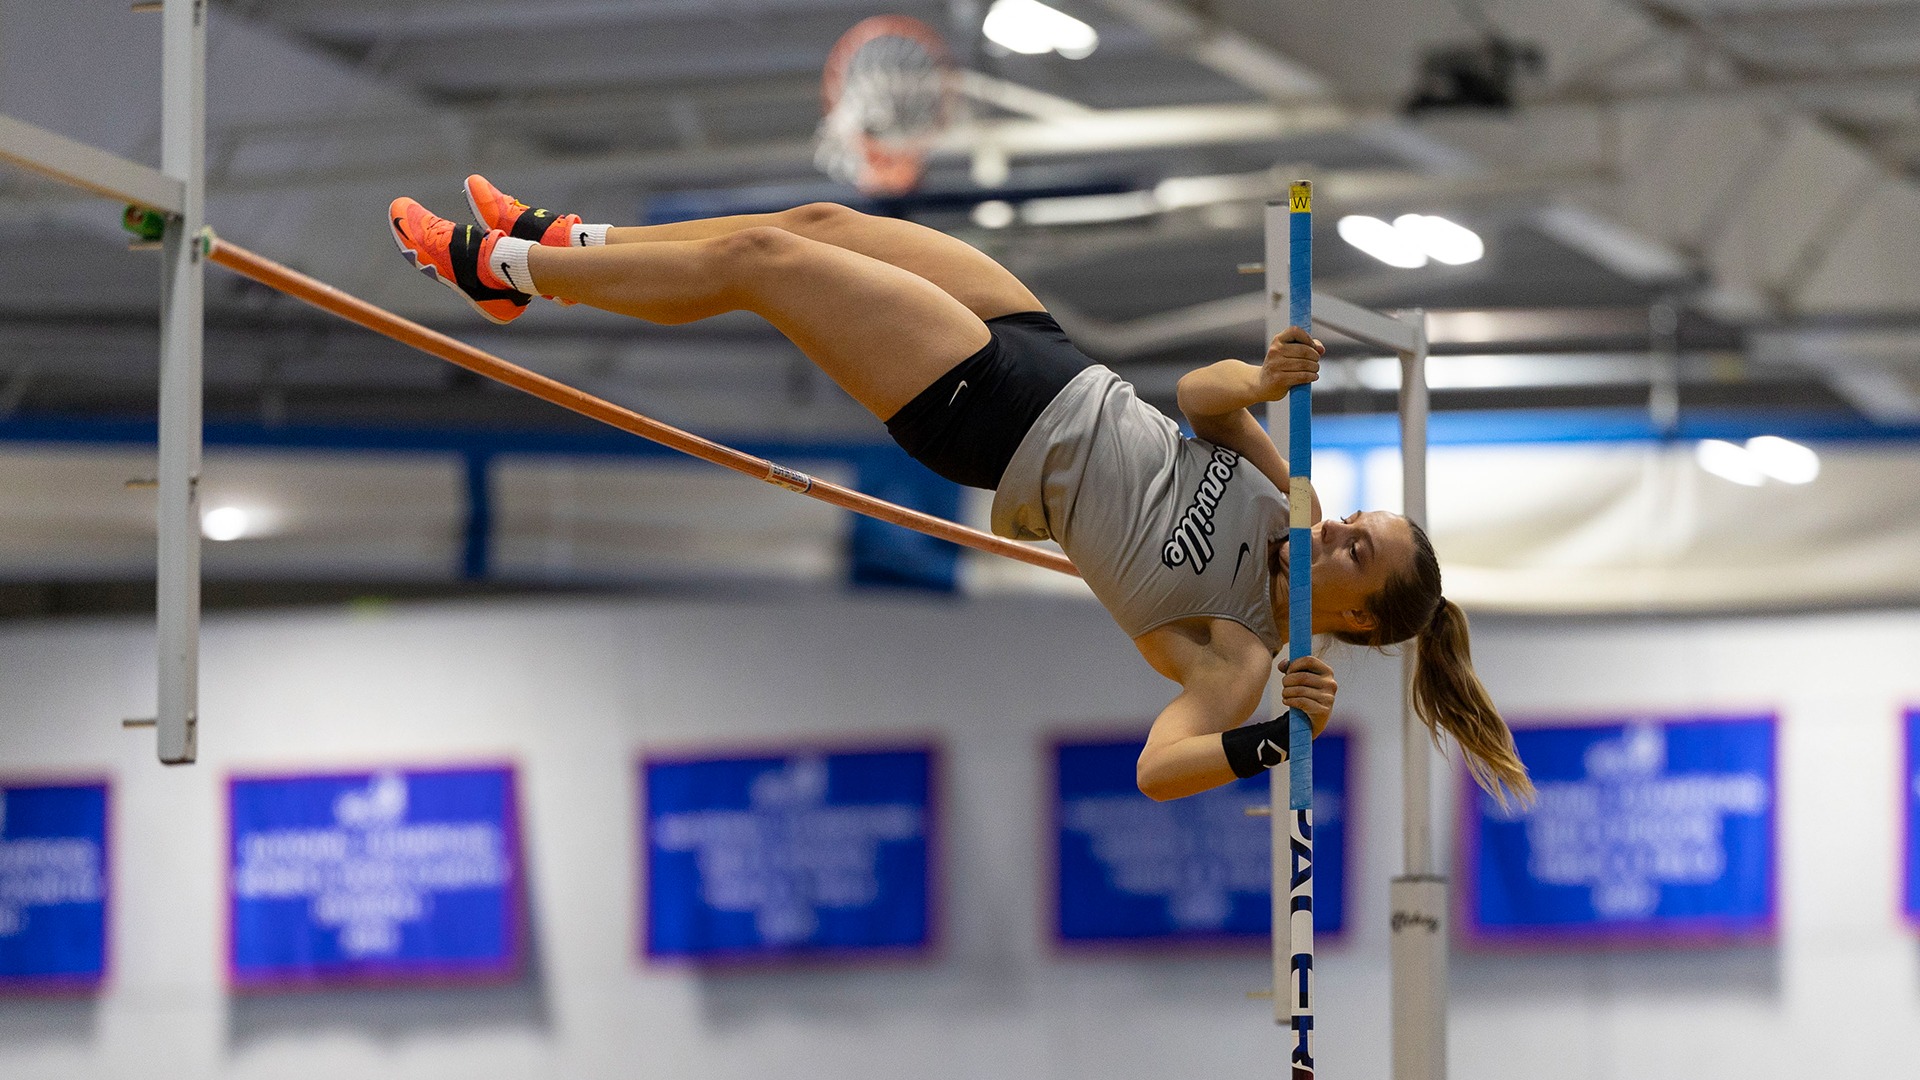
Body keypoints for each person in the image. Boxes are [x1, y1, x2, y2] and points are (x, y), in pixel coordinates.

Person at [387, 179, 1533, 805]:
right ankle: (562, 238)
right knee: (814, 226)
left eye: (1355, 556)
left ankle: (503, 272)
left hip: (987, 415)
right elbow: (1198, 398)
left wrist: (1272, 742)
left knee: (764, 270)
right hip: (1046, 347)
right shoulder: (1292, 497)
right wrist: (1264, 374)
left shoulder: (1232, 654)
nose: (1337, 533)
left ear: (1355, 621)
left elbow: (1156, 769)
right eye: (1359, 525)